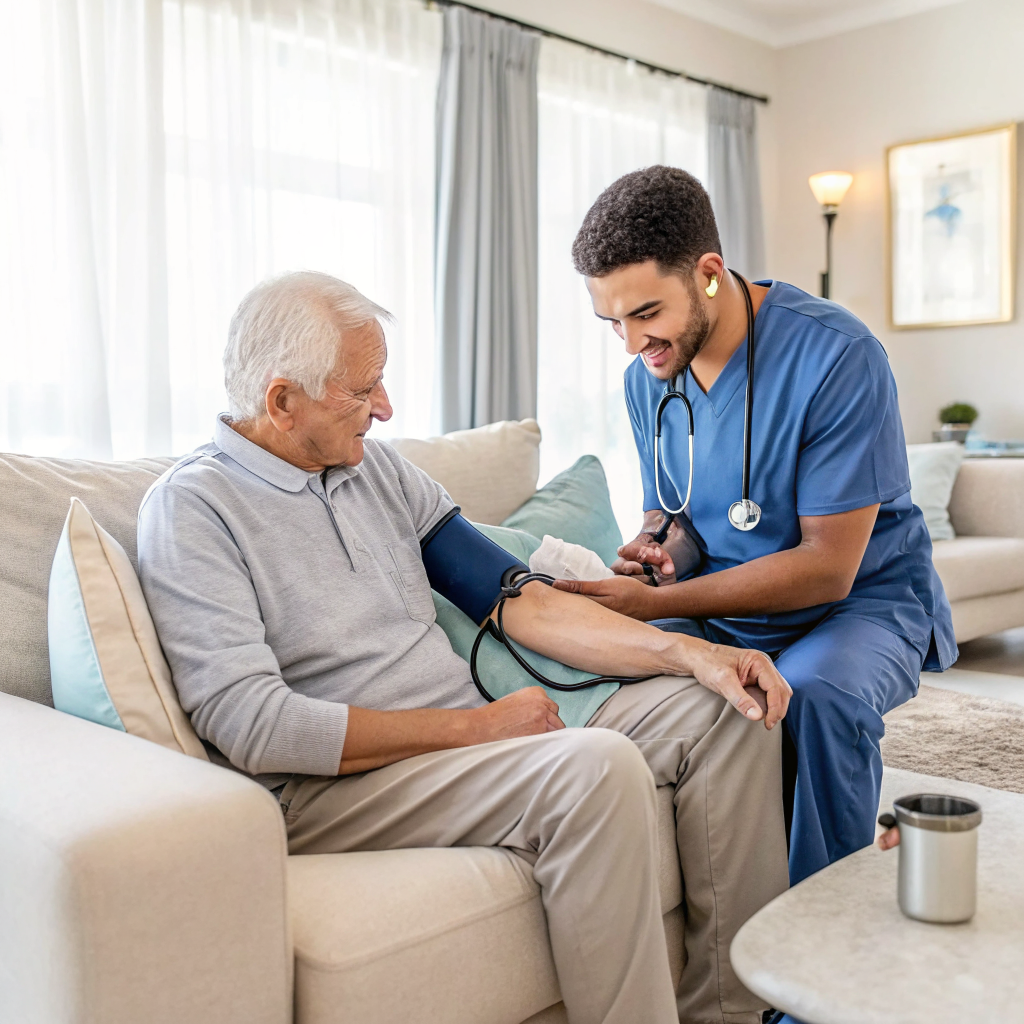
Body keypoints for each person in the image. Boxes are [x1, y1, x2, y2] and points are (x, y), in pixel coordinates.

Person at [137, 271, 790, 1024]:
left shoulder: (373, 470)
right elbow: (255, 725)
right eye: (363, 391)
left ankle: (733, 1013)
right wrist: (476, 728)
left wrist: (692, 656)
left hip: (464, 747)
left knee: (723, 710)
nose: (385, 410)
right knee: (592, 768)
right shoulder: (193, 510)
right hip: (332, 787)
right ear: (282, 401)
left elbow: (521, 601)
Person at [558, 166, 956, 896]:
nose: (629, 343)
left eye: (645, 312)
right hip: (725, 610)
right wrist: (659, 551)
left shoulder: (836, 357)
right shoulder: (650, 372)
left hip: (856, 605)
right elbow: (672, 511)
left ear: (709, 274)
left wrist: (657, 605)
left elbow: (825, 568)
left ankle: (817, 967)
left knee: (812, 701)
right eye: (611, 321)